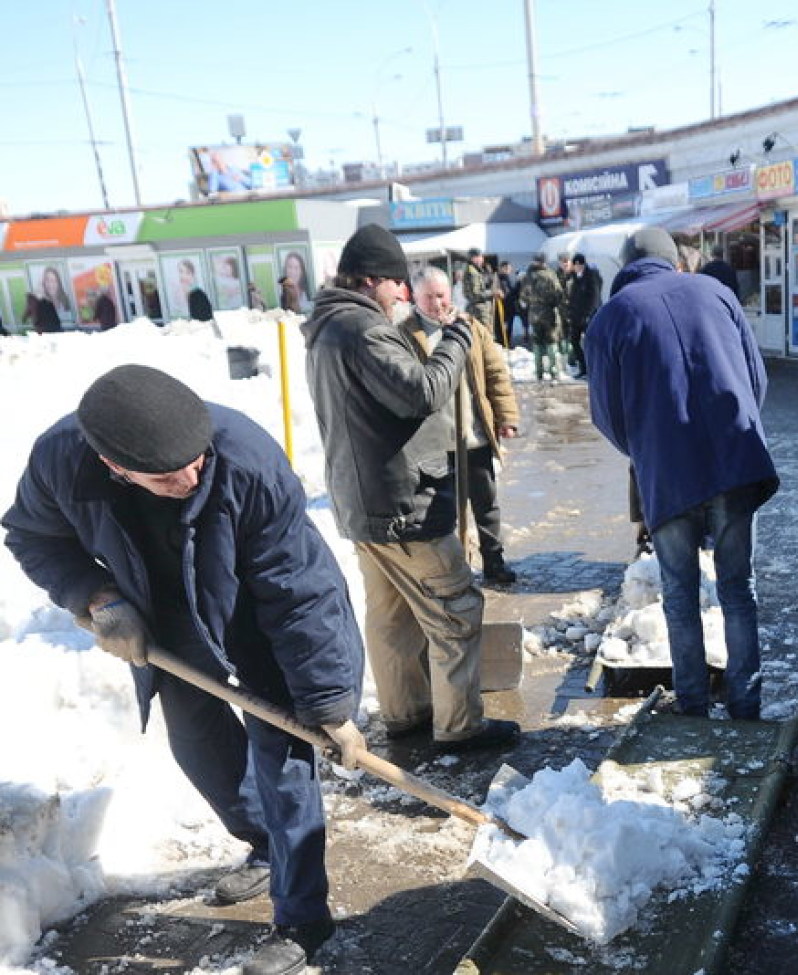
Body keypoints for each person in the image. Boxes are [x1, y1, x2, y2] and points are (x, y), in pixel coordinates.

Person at [1, 365, 365, 975]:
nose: (191, 477)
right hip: (164, 619)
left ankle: (303, 917)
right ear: (114, 467)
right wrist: (95, 596)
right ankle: (262, 844)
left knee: (283, 761)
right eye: (169, 476)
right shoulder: (61, 459)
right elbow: (34, 536)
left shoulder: (245, 457)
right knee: (201, 751)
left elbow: (298, 592)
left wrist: (328, 705)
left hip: (258, 611)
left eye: (197, 462)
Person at [301, 223, 519, 751]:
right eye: (396, 283)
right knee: (456, 610)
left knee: (392, 615)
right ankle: (459, 726)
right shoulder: (363, 329)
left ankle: (406, 713)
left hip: (363, 506)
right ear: (373, 279)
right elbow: (421, 392)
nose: (403, 293)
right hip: (404, 508)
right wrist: (457, 341)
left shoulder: (325, 327)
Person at [586, 226, 779, 720]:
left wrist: (647, 449)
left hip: (669, 476)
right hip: (737, 461)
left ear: (626, 267)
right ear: (676, 262)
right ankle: (746, 702)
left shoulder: (612, 318)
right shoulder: (716, 292)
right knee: (739, 589)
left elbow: (607, 415)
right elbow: (756, 380)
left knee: (680, 593)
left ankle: (692, 704)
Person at [410, 268, 522, 584]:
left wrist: (507, 416)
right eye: (429, 296)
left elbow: (495, 373)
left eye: (441, 295)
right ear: (415, 297)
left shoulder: (471, 327)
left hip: (473, 437)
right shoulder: (406, 333)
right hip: (434, 444)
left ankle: (494, 561)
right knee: (441, 511)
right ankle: (453, 568)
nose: (436, 303)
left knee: (486, 505)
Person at [519, 254, 566, 381]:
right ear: (544, 262)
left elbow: (523, 297)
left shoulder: (527, 277)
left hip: (534, 313)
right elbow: (559, 294)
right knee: (551, 341)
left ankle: (539, 372)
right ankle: (553, 371)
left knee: (537, 342)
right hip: (548, 313)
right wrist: (553, 304)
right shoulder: (549, 275)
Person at [566, 253, 602, 379]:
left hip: (589, 316)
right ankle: (583, 368)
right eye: (575, 265)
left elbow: (594, 297)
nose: (577, 267)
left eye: (579, 264)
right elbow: (572, 297)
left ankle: (593, 368)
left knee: (590, 343)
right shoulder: (574, 278)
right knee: (574, 342)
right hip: (576, 316)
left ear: (583, 264)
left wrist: (588, 314)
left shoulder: (591, 276)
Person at [461, 248, 496, 337]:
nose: (481, 259)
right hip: (478, 310)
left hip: (481, 309)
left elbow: (483, 287)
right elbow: (475, 294)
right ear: (473, 258)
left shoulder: (476, 270)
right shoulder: (472, 272)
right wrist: (492, 293)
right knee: (485, 336)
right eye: (479, 257)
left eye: (481, 257)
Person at [496, 259, 520, 347]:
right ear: (502, 268)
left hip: (510, 309)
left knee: (508, 329)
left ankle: (506, 344)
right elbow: (506, 294)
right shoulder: (499, 279)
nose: (508, 270)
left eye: (509, 268)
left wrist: (518, 285)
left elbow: (511, 293)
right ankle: (503, 345)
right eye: (506, 268)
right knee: (503, 329)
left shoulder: (507, 279)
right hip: (503, 309)